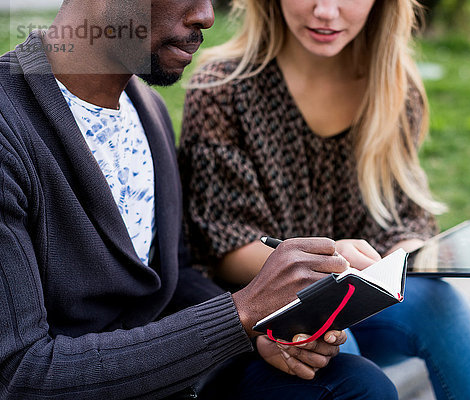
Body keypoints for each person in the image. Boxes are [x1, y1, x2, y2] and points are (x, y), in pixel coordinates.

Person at [0, 0, 399, 398]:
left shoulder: (147, 110)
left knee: (357, 384)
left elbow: (175, 277)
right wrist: (240, 313)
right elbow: (21, 374)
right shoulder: (9, 128)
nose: (206, 16)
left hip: (174, 376)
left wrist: (262, 328)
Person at [179, 0, 470, 399]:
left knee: (442, 306)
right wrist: (326, 265)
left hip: (365, 297)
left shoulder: (392, 84)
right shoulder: (223, 86)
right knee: (332, 336)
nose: (326, 11)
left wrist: (412, 253)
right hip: (268, 314)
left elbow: (404, 212)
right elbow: (224, 245)